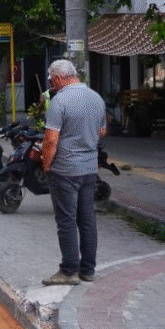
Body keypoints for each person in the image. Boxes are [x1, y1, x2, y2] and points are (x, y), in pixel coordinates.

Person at [40, 59, 107, 286]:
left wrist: (47, 165)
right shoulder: (96, 98)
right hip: (89, 169)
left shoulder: (60, 102)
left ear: (59, 77)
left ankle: (69, 271)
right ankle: (88, 270)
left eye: (50, 79)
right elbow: (102, 130)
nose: (50, 83)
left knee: (67, 221)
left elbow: (50, 140)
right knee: (87, 220)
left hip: (65, 170)